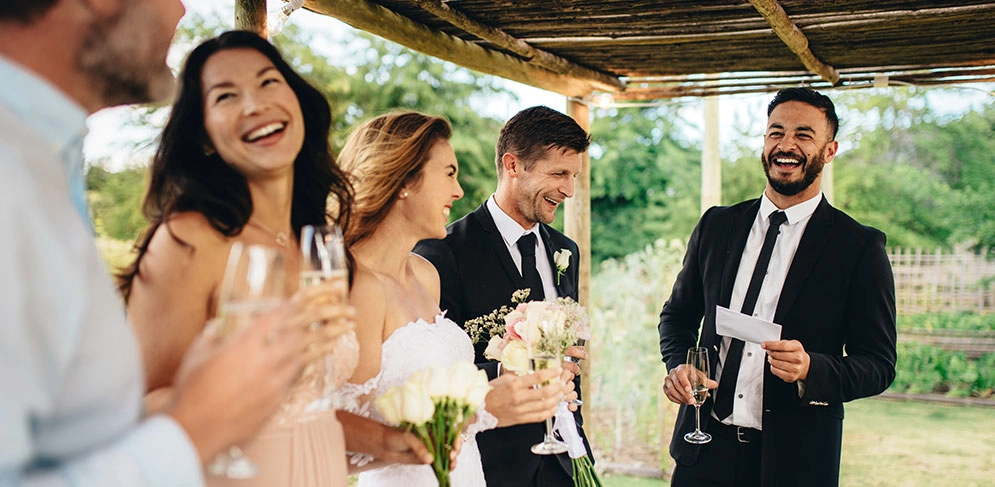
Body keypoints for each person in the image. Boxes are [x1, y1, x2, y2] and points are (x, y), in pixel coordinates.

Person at [0, 2, 324, 485]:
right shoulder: (16, 175)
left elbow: (79, 425)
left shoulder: (48, 163)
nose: (181, 8)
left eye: (269, 82)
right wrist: (192, 428)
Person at [119, 31, 431, 486]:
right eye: (226, 96)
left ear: (298, 104)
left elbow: (304, 405)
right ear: (203, 134)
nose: (254, 105)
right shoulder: (190, 238)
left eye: (268, 83)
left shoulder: (317, 245)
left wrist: (383, 441)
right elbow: (141, 412)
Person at [657, 87, 897, 487]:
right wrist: (681, 367)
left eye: (804, 135)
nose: (786, 145)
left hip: (796, 463)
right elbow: (677, 316)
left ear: (830, 150)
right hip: (703, 453)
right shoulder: (716, 226)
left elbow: (878, 364)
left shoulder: (858, 246)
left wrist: (811, 368)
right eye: (775, 132)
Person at [336, 110, 572, 486]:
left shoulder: (424, 275)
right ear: (404, 181)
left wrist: (506, 383)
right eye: (448, 173)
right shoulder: (358, 287)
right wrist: (480, 408)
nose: (459, 191)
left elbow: (435, 390)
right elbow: (336, 435)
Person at [414, 105, 594, 487]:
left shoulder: (566, 252)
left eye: (574, 176)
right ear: (513, 166)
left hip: (564, 454)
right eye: (559, 174)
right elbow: (429, 371)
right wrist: (506, 371)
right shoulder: (443, 254)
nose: (569, 190)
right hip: (490, 463)